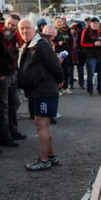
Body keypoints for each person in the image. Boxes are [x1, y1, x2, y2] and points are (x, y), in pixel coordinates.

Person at [17, 19, 64, 171]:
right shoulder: (29, 46)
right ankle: (50, 156)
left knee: (42, 124)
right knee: (41, 124)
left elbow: (54, 64)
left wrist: (60, 80)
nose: (24, 31)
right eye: (22, 29)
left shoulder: (40, 45)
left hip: (44, 90)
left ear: (34, 29)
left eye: (27, 28)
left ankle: (44, 160)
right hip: (37, 91)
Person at [0, 13, 26, 147]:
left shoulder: (13, 36)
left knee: (13, 104)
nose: (10, 26)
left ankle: (13, 131)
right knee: (2, 107)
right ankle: (5, 136)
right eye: (9, 23)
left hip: (11, 73)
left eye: (13, 25)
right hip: (2, 76)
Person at [80, 17, 101, 95]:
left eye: (97, 23)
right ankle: (89, 90)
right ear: (90, 24)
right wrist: (93, 44)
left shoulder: (99, 32)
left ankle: (100, 89)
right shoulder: (86, 31)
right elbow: (82, 43)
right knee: (90, 74)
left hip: (100, 55)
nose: (95, 25)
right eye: (93, 23)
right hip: (91, 55)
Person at [54, 16, 74, 92]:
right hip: (57, 54)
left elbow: (71, 41)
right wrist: (57, 44)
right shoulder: (53, 31)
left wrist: (70, 51)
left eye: (60, 22)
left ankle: (65, 87)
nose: (59, 23)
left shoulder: (66, 31)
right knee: (58, 71)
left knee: (66, 71)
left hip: (66, 54)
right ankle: (58, 88)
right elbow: (51, 43)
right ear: (54, 23)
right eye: (58, 22)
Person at [70, 22, 84, 89]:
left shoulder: (80, 34)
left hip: (79, 53)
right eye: (72, 28)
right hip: (71, 54)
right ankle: (70, 84)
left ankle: (81, 84)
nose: (74, 29)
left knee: (80, 69)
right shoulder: (69, 35)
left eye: (75, 28)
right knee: (70, 70)